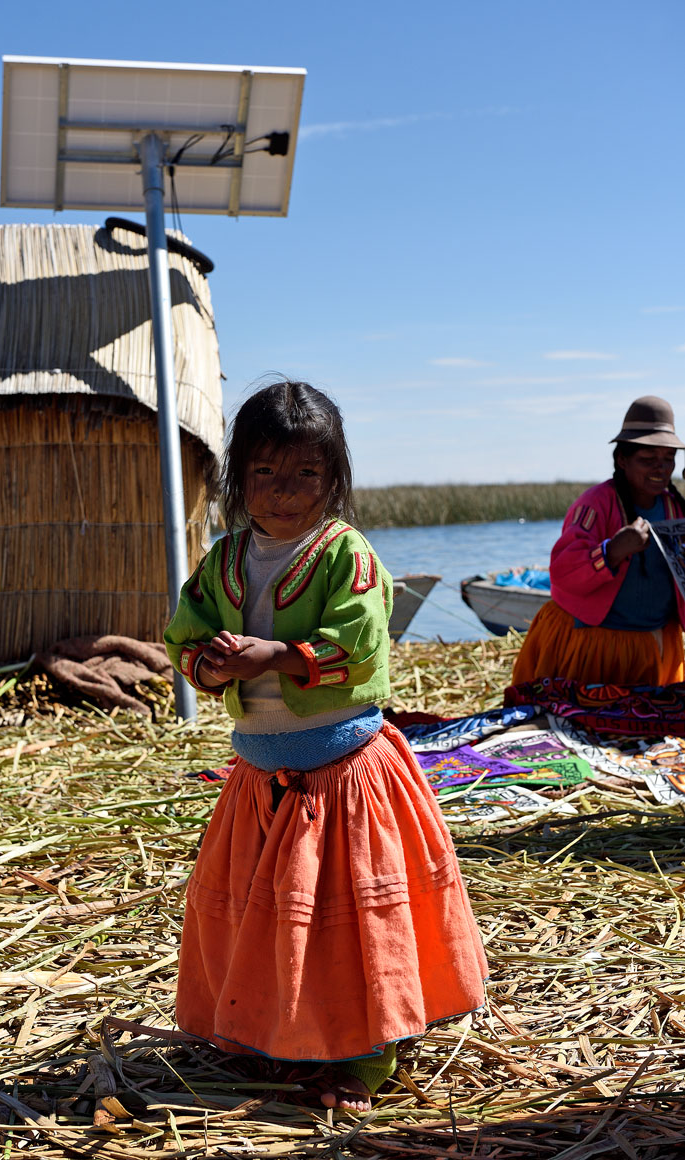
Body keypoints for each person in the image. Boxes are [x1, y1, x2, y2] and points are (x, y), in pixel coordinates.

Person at [164, 380, 488, 1112]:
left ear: (333, 478)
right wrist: (211, 665)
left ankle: (364, 1057)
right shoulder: (223, 561)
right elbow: (184, 635)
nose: (284, 493)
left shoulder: (346, 554)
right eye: (264, 475)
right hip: (261, 777)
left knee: (351, 925)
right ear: (236, 479)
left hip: (343, 777)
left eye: (305, 474)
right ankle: (287, 1037)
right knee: (273, 918)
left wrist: (270, 657)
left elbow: (361, 643)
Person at [513, 395, 685, 687]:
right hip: (591, 645)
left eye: (668, 459)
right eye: (647, 460)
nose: (661, 469)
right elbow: (563, 573)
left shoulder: (675, 508)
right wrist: (612, 551)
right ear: (622, 460)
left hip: (652, 646)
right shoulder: (595, 505)